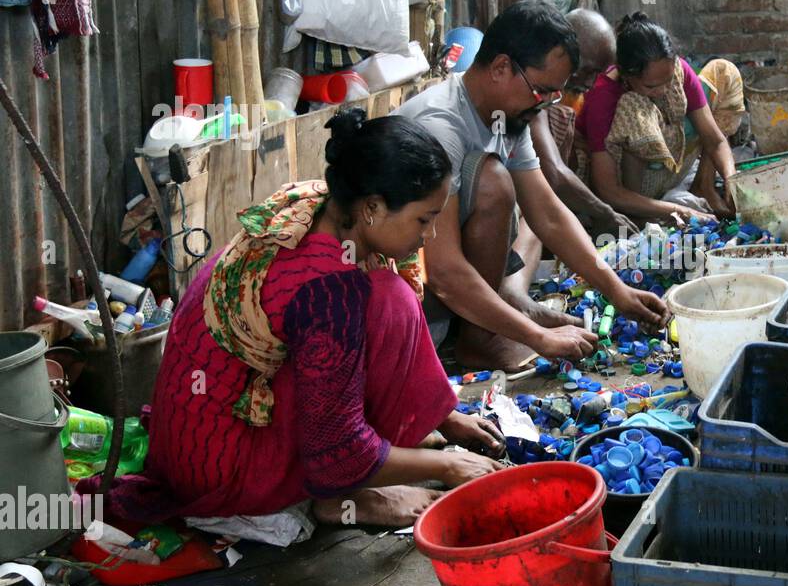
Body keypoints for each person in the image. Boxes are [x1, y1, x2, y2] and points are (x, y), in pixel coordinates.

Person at [82, 112, 506, 530]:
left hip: (191, 430)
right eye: (424, 220)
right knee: (390, 302)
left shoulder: (318, 205)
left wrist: (443, 419)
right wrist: (449, 465)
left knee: (387, 297)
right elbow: (338, 452)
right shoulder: (328, 288)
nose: (428, 236)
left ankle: (373, 465)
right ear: (373, 207)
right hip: (218, 467)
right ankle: (342, 497)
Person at [396, 0, 669, 370]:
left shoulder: (508, 116)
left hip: (452, 285)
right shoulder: (441, 126)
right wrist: (536, 337)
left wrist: (618, 292)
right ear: (500, 67)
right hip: (410, 303)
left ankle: (505, 307)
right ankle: (479, 341)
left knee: (523, 201)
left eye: (554, 94)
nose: (546, 105)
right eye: (541, 91)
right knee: (494, 181)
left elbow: (549, 215)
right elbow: (441, 272)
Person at [577, 13, 745, 225]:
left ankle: (704, 186)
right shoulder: (602, 97)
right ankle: (639, 215)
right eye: (651, 86)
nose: (663, 90)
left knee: (723, 71)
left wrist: (731, 179)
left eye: (667, 81)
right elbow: (609, 191)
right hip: (626, 187)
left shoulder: (677, 71)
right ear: (626, 75)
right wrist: (679, 211)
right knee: (635, 107)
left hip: (670, 164)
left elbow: (716, 140)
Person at [528, 9, 632, 235]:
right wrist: (604, 211)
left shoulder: (570, 96)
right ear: (560, 52)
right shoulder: (535, 90)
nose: (592, 82)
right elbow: (554, 172)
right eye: (587, 70)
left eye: (599, 74)